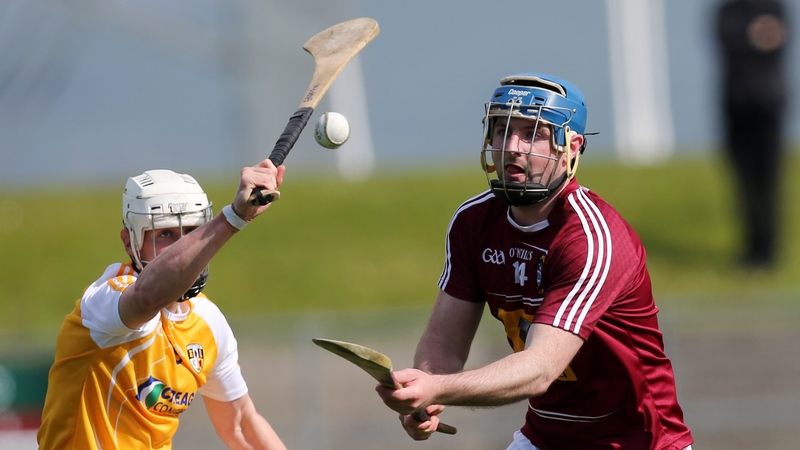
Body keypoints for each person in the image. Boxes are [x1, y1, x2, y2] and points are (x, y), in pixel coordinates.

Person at [375, 73, 694, 449]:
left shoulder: (589, 237)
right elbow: (445, 338)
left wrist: (439, 388)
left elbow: (540, 369)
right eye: (502, 130)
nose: (511, 147)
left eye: (532, 134)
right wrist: (426, 394)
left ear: (571, 147)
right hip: (544, 438)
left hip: (637, 442)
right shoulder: (473, 222)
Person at [37, 161, 288, 449]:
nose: (187, 246)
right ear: (130, 243)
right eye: (166, 234)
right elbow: (147, 296)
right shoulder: (105, 302)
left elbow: (241, 422)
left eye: (194, 231)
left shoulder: (208, 321)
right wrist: (232, 218)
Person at [716, 0, 790, 267]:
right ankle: (752, 248)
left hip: (769, 104)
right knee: (744, 181)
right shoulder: (728, 11)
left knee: (769, 180)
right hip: (737, 105)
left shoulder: (775, 7)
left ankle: (768, 249)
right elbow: (732, 45)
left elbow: (775, 40)